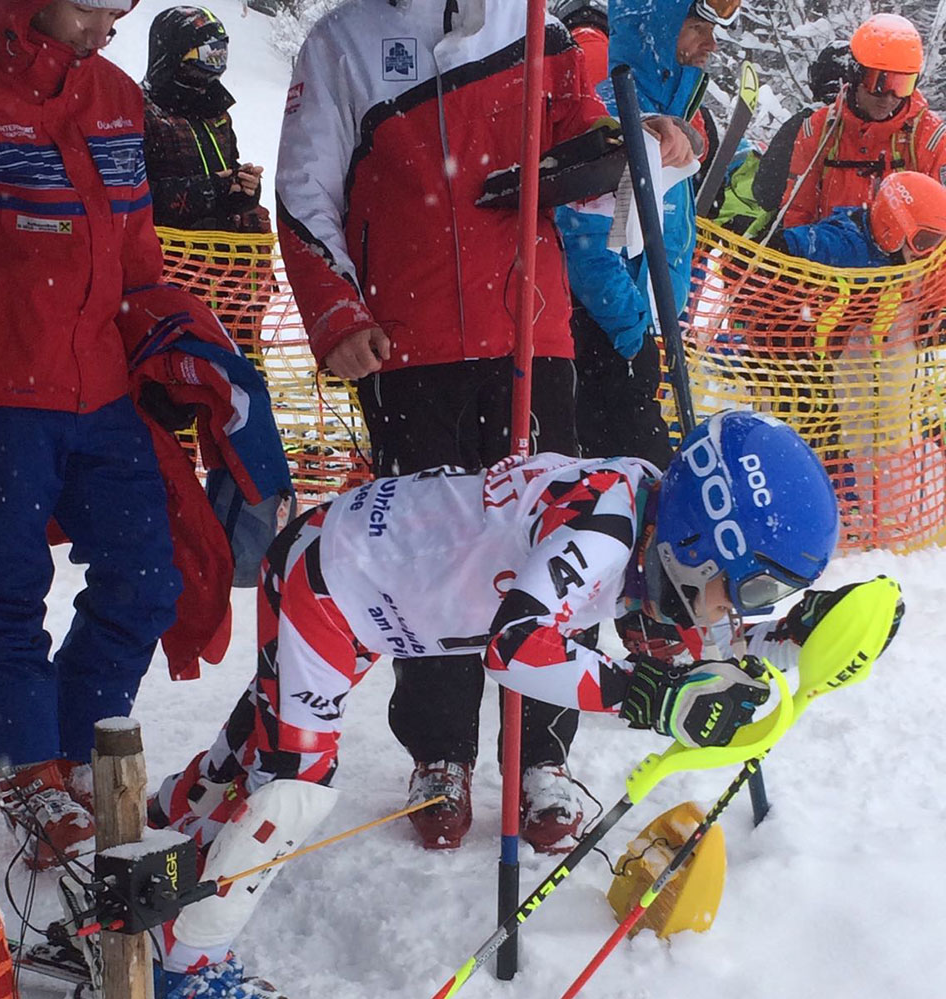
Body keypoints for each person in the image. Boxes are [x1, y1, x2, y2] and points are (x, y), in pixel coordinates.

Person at [146, 409, 883, 999]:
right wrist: (648, 697)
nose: (743, 610)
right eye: (753, 593)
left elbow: (675, 633)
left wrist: (789, 635)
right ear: (704, 539)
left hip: (358, 579)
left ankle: (167, 840)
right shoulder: (604, 529)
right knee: (295, 780)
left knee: (264, 739)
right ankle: (185, 973)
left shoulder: (643, 514)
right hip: (334, 584)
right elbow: (517, 645)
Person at [275, 1, 636, 857]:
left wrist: (623, 146)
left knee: (555, 540)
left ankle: (542, 756)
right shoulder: (341, 43)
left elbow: (586, 140)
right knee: (430, 558)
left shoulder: (538, 27)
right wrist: (334, 312)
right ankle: (439, 751)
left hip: (530, 332)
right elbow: (302, 191)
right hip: (406, 345)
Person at [0, 0, 182, 868]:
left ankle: (78, 748)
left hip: (104, 390)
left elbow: (139, 252)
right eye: (92, 7)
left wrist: (164, 354)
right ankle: (25, 766)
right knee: (6, 586)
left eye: (122, 8)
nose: (108, 27)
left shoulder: (117, 94)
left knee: (149, 574)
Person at [556, 0, 736, 472]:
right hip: (606, 343)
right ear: (656, 30)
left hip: (636, 337)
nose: (709, 45)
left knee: (639, 479)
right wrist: (633, 334)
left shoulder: (665, 118)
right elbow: (585, 243)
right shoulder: (619, 117)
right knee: (641, 479)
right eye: (696, 29)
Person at [781, 15, 946, 231]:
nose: (888, 97)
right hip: (827, 259)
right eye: (879, 82)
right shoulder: (820, 130)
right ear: (855, 74)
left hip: (904, 262)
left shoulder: (930, 139)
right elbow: (797, 212)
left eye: (902, 85)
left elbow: (940, 231)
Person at [141, 7, 268, 234]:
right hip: (168, 257)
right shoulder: (141, 113)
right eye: (206, 55)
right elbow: (130, 197)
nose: (212, 67)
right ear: (173, 55)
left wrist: (243, 188)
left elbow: (227, 170)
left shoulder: (215, 110)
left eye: (219, 55)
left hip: (220, 254)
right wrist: (208, 191)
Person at [774, 170, 946, 268]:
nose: (928, 253)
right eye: (924, 242)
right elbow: (791, 243)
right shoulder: (844, 244)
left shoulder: (891, 259)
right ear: (892, 228)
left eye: (937, 242)